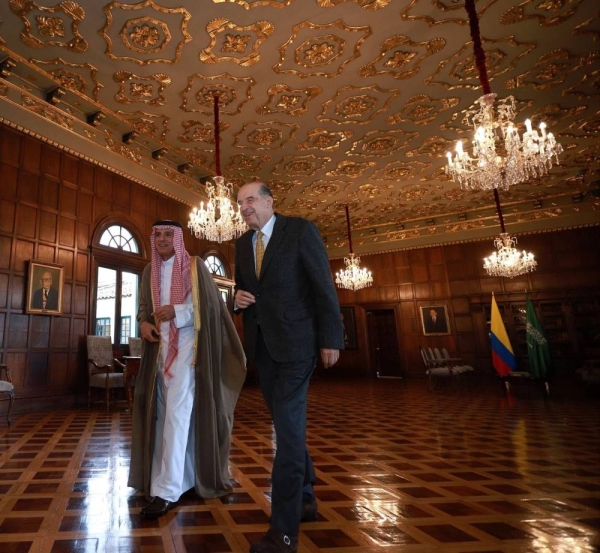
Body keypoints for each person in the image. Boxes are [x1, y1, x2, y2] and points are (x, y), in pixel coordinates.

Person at [234, 182, 344, 553]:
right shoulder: (240, 244)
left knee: (288, 434)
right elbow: (243, 289)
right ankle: (307, 496)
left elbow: (323, 285)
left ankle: (283, 532)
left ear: (269, 201)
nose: (244, 207)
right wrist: (237, 299)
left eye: (250, 200)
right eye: (240, 203)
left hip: (298, 346)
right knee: (286, 424)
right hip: (263, 348)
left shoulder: (299, 230)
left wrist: (332, 337)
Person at [128, 220, 246, 519]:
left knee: (177, 418)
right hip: (158, 355)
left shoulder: (194, 267)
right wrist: (143, 323)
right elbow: (143, 308)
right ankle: (180, 479)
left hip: (189, 354)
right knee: (161, 418)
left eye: (169, 234)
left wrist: (177, 312)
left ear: (178, 239)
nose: (163, 239)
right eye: (158, 235)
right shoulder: (147, 271)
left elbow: (210, 308)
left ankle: (167, 492)